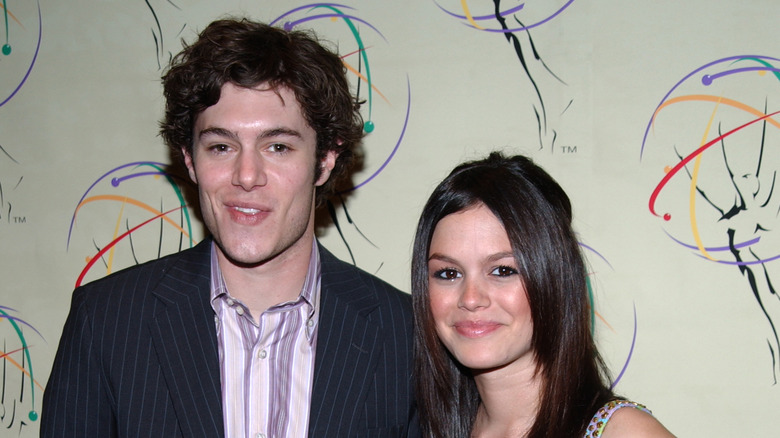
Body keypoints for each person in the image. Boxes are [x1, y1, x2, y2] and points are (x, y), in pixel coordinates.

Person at [41, 18, 418, 437]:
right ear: (189, 159)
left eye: (277, 147)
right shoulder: (107, 321)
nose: (247, 175)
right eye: (221, 146)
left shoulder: (405, 335)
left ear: (325, 159)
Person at [411, 152, 674, 438]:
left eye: (502, 270)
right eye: (449, 273)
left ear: (553, 280)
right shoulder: (428, 427)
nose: (471, 298)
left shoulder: (624, 433)